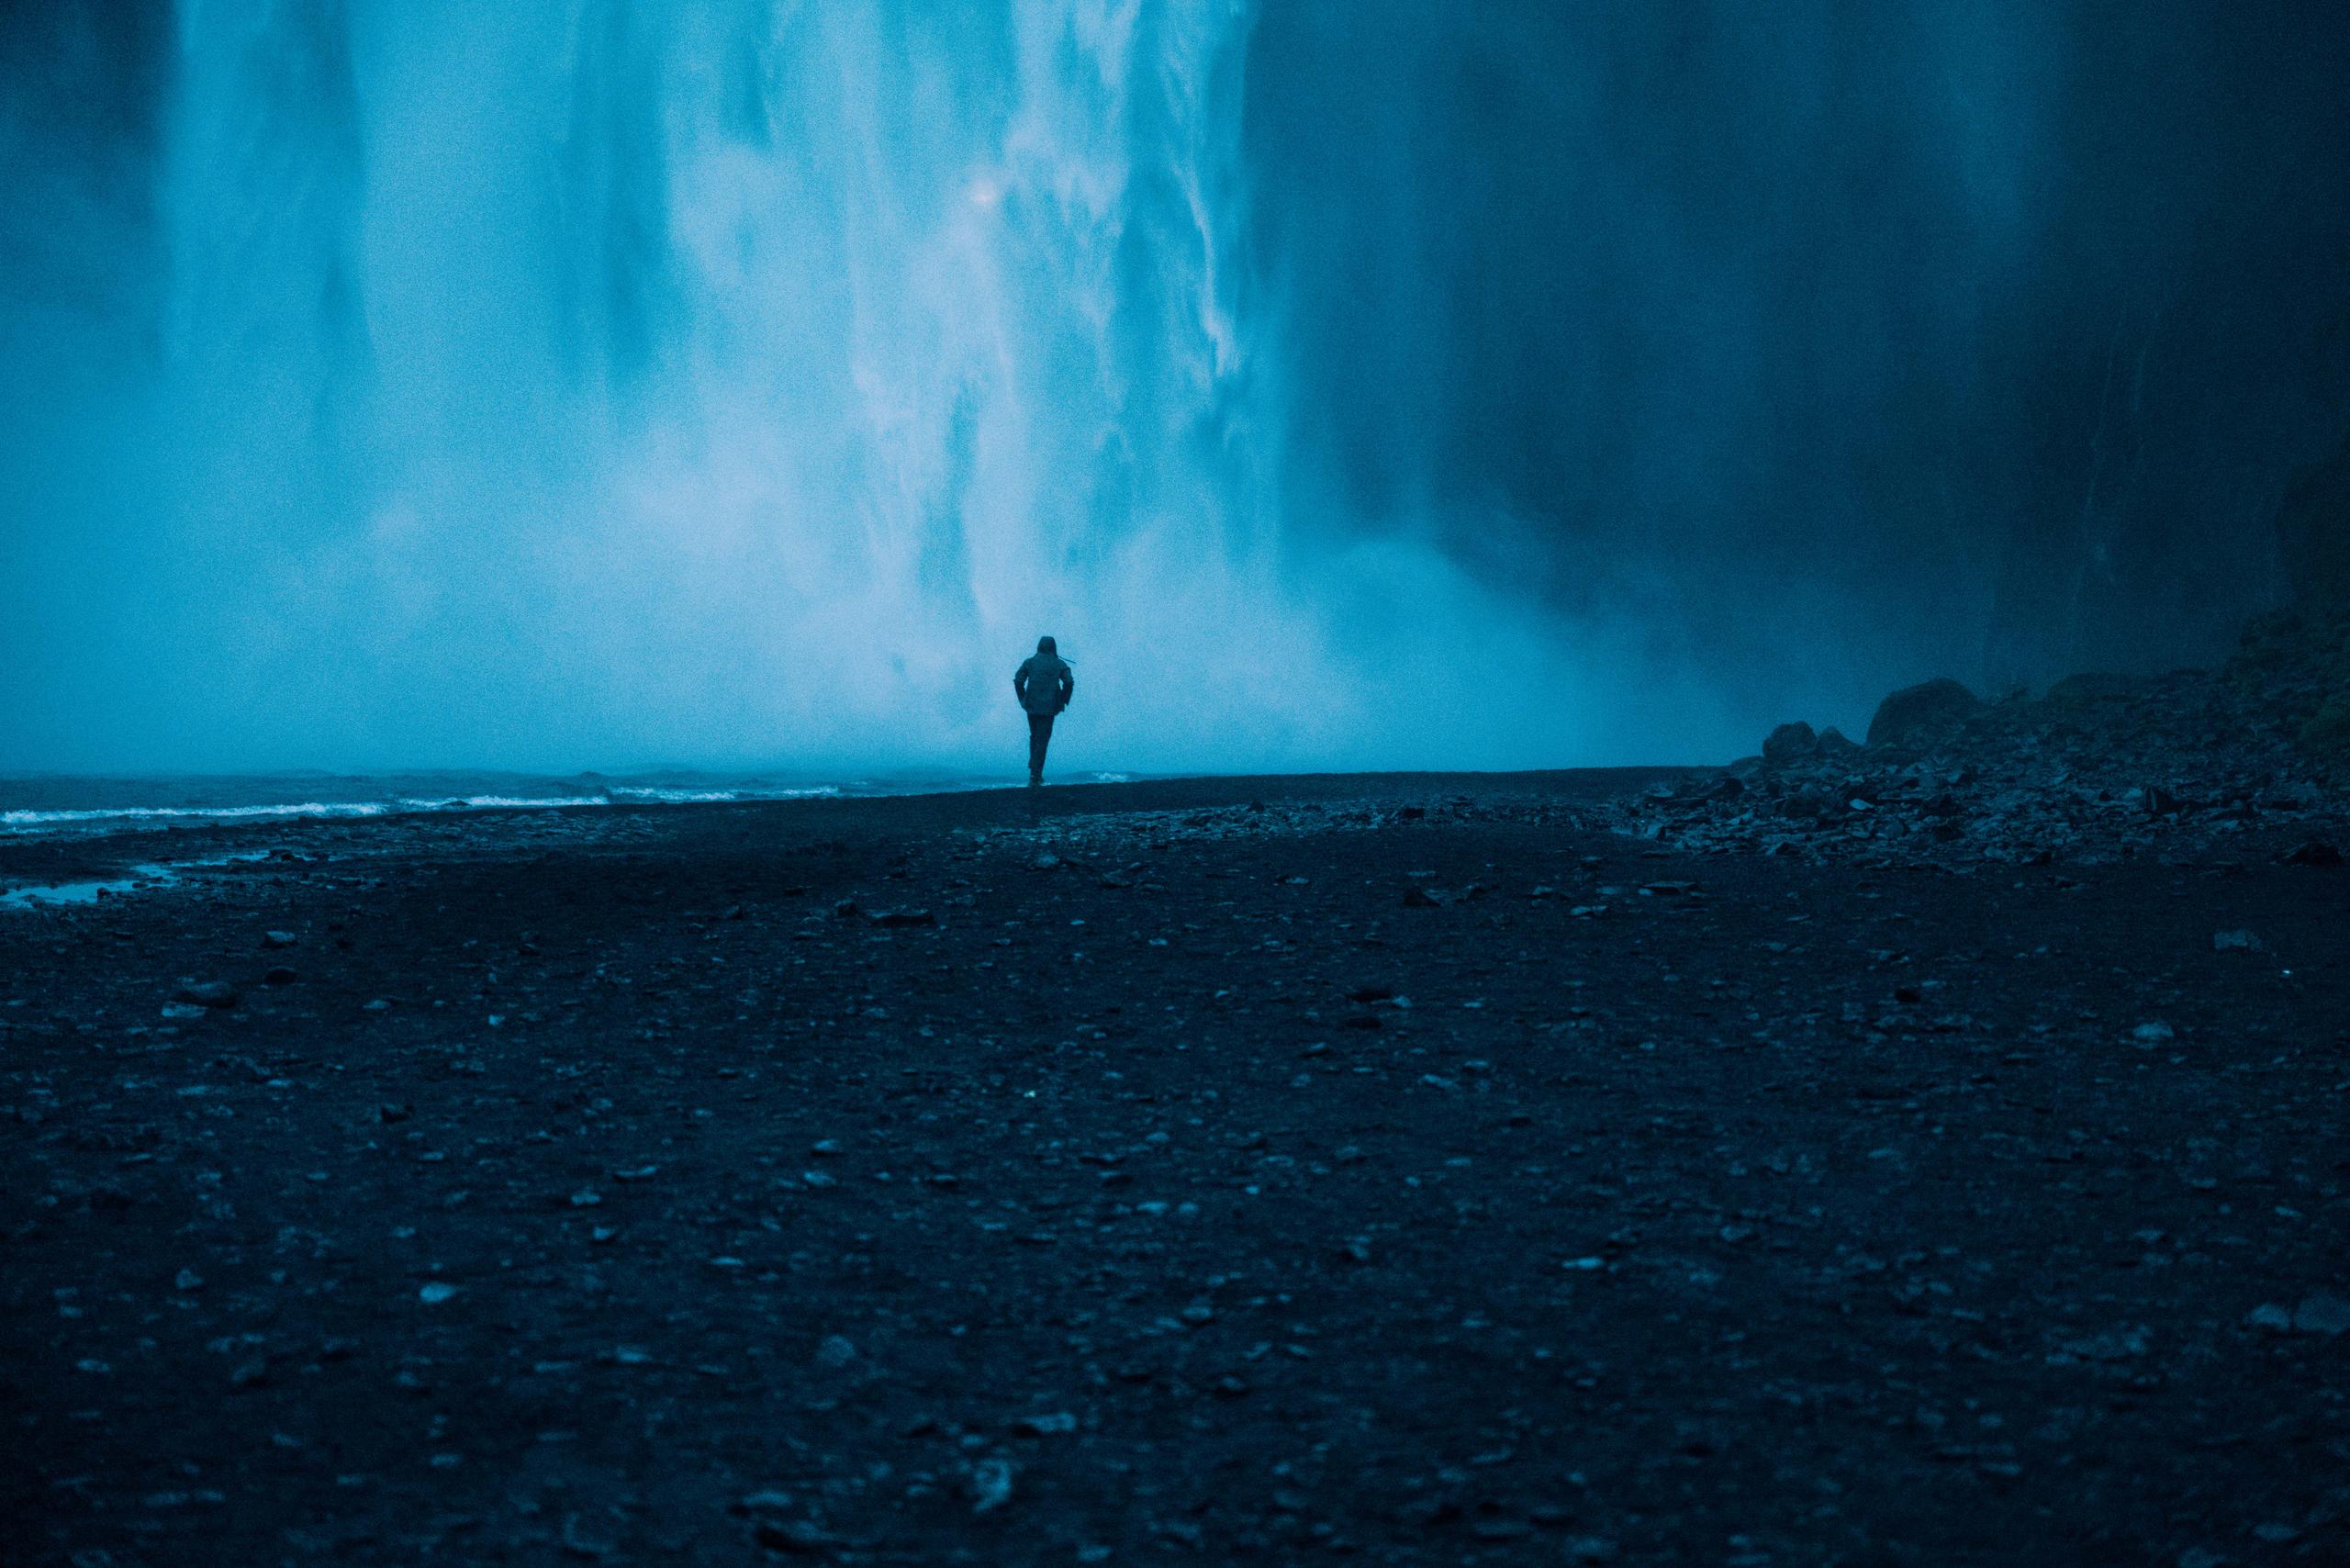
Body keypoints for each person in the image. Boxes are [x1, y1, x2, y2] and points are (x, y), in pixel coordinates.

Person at [1013, 635, 1074, 786]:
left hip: (1031, 705)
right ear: (1054, 647)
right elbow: (1069, 681)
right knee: (1042, 739)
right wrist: (1063, 699)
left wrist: (1023, 698)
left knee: (1034, 736)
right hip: (1049, 707)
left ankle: (1034, 769)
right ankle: (1035, 775)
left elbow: (1018, 680)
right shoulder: (1059, 664)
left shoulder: (1030, 662)